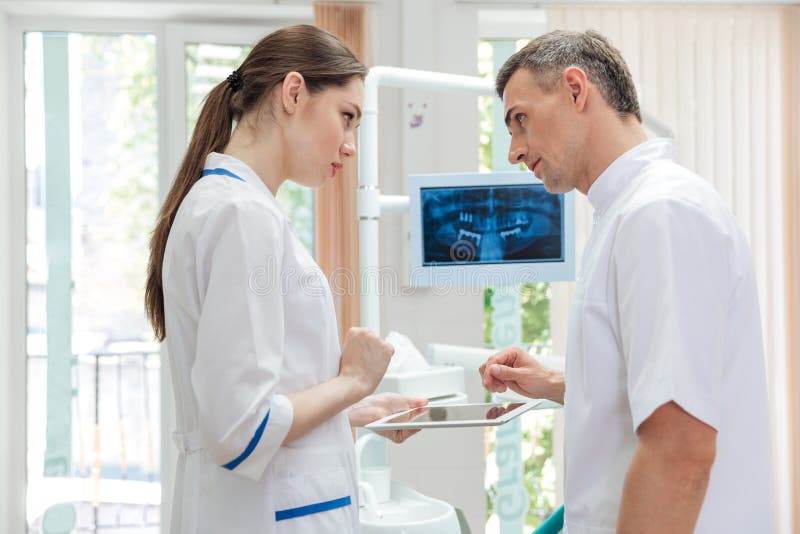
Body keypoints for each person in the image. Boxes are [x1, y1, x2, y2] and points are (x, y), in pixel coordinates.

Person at [479, 30, 773, 533]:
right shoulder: (625, 214)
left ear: (576, 90)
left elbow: (679, 448)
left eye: (520, 120)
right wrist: (552, 383)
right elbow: (659, 387)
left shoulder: (658, 214)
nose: (513, 150)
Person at [144, 25, 426, 533]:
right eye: (347, 118)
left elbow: (250, 409)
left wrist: (356, 409)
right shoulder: (241, 216)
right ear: (293, 92)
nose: (350, 146)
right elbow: (240, 431)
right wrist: (352, 381)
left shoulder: (232, 206)